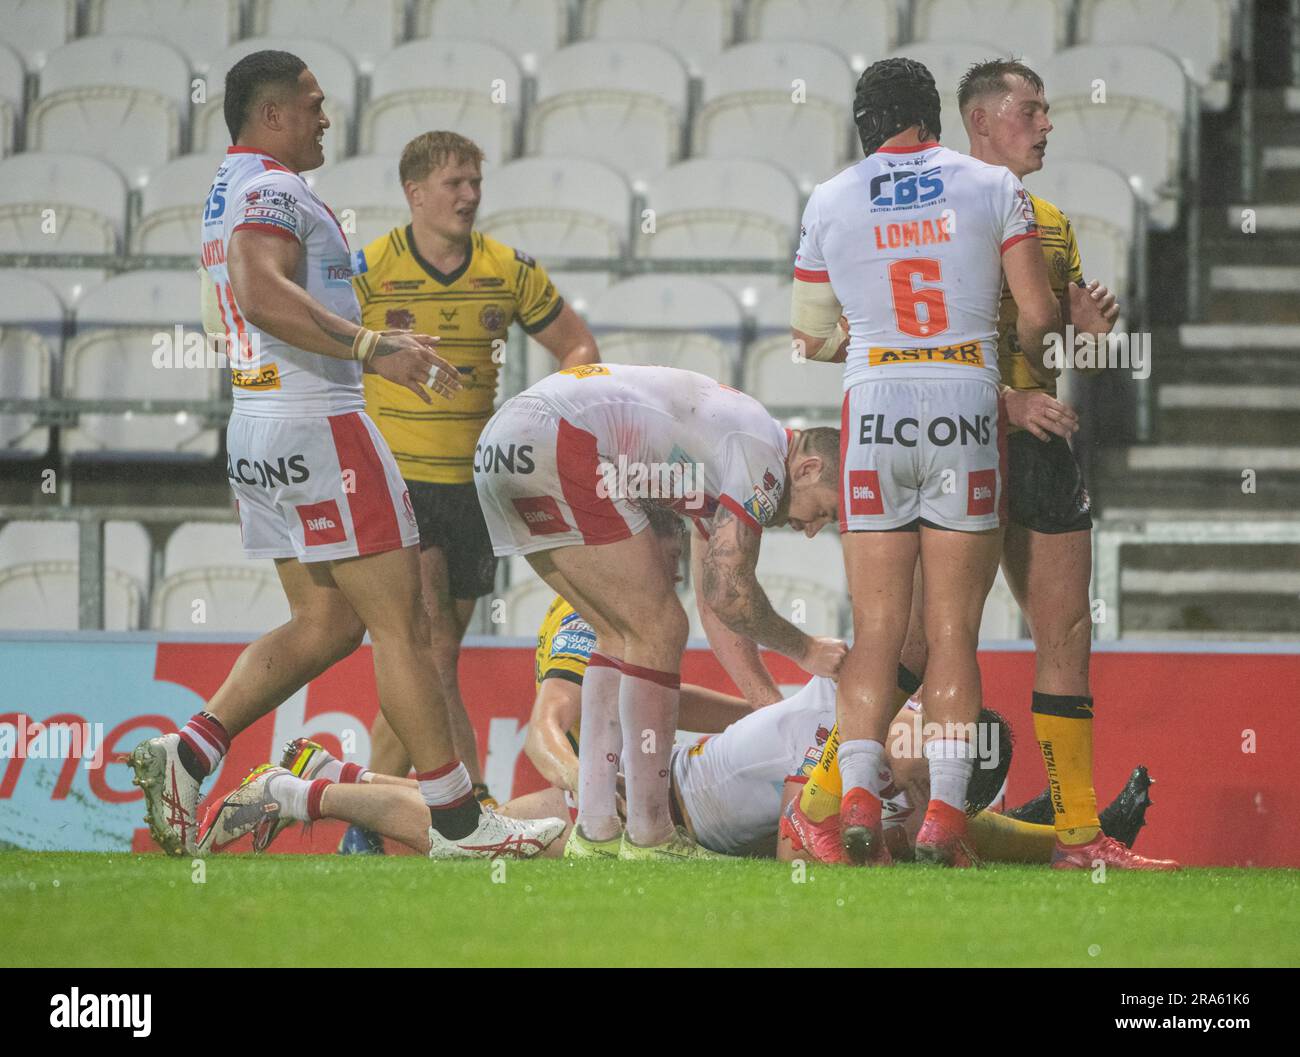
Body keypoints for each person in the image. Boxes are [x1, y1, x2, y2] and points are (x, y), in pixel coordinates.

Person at [129, 49, 563, 860]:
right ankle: (461, 824)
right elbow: (259, 292)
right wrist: (371, 345)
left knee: (327, 621)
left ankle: (190, 750)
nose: (327, 117)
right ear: (273, 115)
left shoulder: (228, 187)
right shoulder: (272, 189)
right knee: (404, 628)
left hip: (256, 424)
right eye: (313, 104)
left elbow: (238, 307)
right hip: (321, 425)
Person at [788, 59, 1178, 871]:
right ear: (976, 121)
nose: (1044, 125)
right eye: (1029, 109)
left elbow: (1048, 346)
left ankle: (1075, 834)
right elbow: (989, 338)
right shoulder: (990, 200)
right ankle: (827, 799)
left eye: (1046, 110)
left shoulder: (1047, 222)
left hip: (1008, 442)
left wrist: (1087, 341)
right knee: (927, 641)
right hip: (976, 429)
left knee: (1061, 633)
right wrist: (1004, 398)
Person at [789, 57, 1061, 866]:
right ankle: (944, 812)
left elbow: (808, 337)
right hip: (964, 404)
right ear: (933, 116)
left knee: (876, 629)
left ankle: (862, 796)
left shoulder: (830, 198)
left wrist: (873, 332)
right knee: (951, 632)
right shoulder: (990, 187)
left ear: (866, 124)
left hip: (874, 404)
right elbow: (1041, 317)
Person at [340, 131, 602, 852]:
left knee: (436, 659)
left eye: (476, 181)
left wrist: (542, 414)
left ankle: (364, 810)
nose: (469, 195)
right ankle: (472, 809)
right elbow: (317, 343)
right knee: (427, 650)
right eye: (454, 182)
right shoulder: (370, 272)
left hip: (476, 495)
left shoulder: (506, 271)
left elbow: (580, 348)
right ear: (414, 193)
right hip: (400, 488)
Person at [473, 363, 846, 859]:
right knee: (661, 628)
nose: (814, 528)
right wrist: (806, 649)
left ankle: (597, 831)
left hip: (502, 444)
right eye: (824, 510)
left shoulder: (729, 457)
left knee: (619, 634)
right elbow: (731, 592)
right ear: (808, 468)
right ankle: (651, 834)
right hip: (558, 437)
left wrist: (764, 700)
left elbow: (717, 602)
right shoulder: (763, 461)